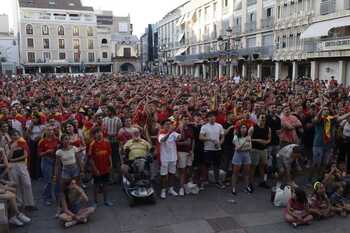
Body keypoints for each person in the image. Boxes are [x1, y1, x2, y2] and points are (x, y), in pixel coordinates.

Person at [8, 130, 36, 210]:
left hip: (22, 164)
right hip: (12, 166)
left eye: (17, 135)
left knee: (27, 184)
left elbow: (25, 155)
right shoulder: (10, 145)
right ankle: (19, 203)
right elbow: (8, 157)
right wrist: (12, 149)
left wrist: (14, 160)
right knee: (16, 184)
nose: (15, 136)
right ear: (11, 136)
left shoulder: (23, 143)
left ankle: (29, 203)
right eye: (13, 135)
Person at [199, 111, 225, 189]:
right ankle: (203, 181)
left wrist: (219, 143)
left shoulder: (219, 126)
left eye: (213, 116)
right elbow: (200, 137)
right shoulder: (204, 127)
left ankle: (217, 181)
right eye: (210, 117)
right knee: (206, 166)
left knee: (216, 166)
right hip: (208, 149)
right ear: (207, 118)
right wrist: (209, 139)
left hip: (217, 149)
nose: (212, 118)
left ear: (215, 117)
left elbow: (223, 136)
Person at [88, 127, 113, 207]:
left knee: (105, 184)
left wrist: (111, 164)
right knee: (96, 185)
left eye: (100, 132)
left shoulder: (107, 142)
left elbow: (109, 154)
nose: (99, 134)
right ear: (94, 135)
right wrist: (95, 169)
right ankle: (95, 202)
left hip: (106, 168)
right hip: (97, 169)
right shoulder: (92, 144)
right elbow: (90, 159)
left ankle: (106, 200)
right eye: (97, 133)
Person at [158, 119, 182, 199]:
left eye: (169, 124)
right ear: (163, 126)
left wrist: (181, 132)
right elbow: (162, 140)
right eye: (166, 124)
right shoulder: (161, 133)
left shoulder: (174, 133)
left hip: (173, 157)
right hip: (164, 158)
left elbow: (179, 138)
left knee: (172, 174)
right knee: (163, 175)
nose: (168, 125)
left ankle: (171, 189)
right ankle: (163, 190)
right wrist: (169, 133)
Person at [248, 113, 271, 190]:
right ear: (258, 119)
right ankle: (250, 183)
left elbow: (269, 139)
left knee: (262, 166)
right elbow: (248, 139)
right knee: (253, 167)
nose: (263, 120)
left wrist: (266, 142)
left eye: (264, 119)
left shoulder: (268, 128)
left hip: (264, 150)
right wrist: (258, 140)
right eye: (262, 118)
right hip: (255, 150)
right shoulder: (252, 128)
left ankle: (262, 182)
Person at [38, 127, 59, 205]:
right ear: (45, 132)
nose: (51, 131)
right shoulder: (42, 141)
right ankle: (47, 198)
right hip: (46, 161)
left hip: (56, 161)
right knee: (48, 182)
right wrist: (46, 152)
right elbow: (39, 154)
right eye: (49, 130)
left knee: (57, 180)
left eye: (52, 130)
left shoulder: (56, 139)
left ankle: (58, 197)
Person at [176, 115, 194, 196]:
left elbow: (192, 141)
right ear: (180, 120)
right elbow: (175, 142)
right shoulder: (177, 130)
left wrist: (192, 150)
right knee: (182, 170)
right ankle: (181, 188)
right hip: (181, 152)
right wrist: (184, 143)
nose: (186, 120)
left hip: (189, 152)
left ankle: (187, 185)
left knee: (188, 169)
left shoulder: (190, 129)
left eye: (187, 119)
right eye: (184, 119)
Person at [231, 124, 252, 195]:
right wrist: (244, 142)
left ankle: (246, 186)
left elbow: (250, 148)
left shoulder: (248, 136)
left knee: (246, 173)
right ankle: (233, 188)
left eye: (245, 127)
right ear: (239, 129)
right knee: (235, 173)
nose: (244, 129)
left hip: (246, 155)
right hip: (238, 156)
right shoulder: (236, 137)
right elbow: (237, 149)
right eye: (242, 128)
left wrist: (241, 147)